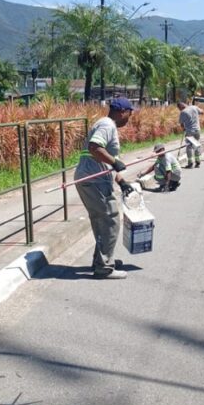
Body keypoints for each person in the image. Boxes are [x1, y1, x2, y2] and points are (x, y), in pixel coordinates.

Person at [74, 96, 134, 279]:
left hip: (93, 178)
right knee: (110, 220)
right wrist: (115, 161)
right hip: (94, 180)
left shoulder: (105, 123)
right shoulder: (107, 125)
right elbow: (95, 148)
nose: (129, 118)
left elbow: (103, 160)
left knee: (102, 221)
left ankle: (101, 261)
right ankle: (104, 267)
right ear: (123, 112)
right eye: (129, 114)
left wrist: (121, 182)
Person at [177, 99, 204, 167]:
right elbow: (202, 112)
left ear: (180, 107)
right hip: (197, 130)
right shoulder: (194, 107)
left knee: (189, 147)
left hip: (190, 132)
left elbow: (181, 123)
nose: (179, 110)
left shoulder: (183, 112)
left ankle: (190, 162)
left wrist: (184, 128)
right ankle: (198, 161)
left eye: (179, 108)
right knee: (196, 145)